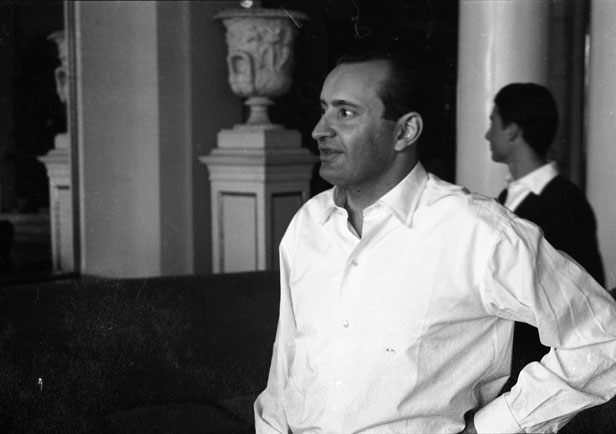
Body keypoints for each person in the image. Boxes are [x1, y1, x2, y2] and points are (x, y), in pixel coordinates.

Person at [254, 50, 616, 434]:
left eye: (345, 113)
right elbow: (286, 363)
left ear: (405, 131)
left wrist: (493, 427)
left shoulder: (480, 232)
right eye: (324, 109)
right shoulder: (307, 224)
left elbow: (604, 338)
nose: (319, 130)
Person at [485, 83, 606, 393]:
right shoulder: (509, 197)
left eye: (493, 122)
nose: (487, 134)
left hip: (536, 376)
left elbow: (580, 304)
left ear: (512, 130)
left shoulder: (563, 202)